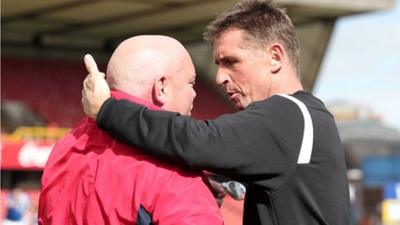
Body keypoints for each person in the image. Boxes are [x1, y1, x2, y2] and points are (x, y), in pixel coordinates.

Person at [82, 0, 351, 225]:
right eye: (218, 64)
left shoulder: (290, 114)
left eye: (231, 62)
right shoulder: (306, 117)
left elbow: (196, 140)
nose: (220, 77)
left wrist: (107, 109)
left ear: (276, 57)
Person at [38, 35, 223, 225]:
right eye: (191, 83)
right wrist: (197, 198)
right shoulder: (176, 176)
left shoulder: (65, 146)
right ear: (162, 87)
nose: (194, 93)